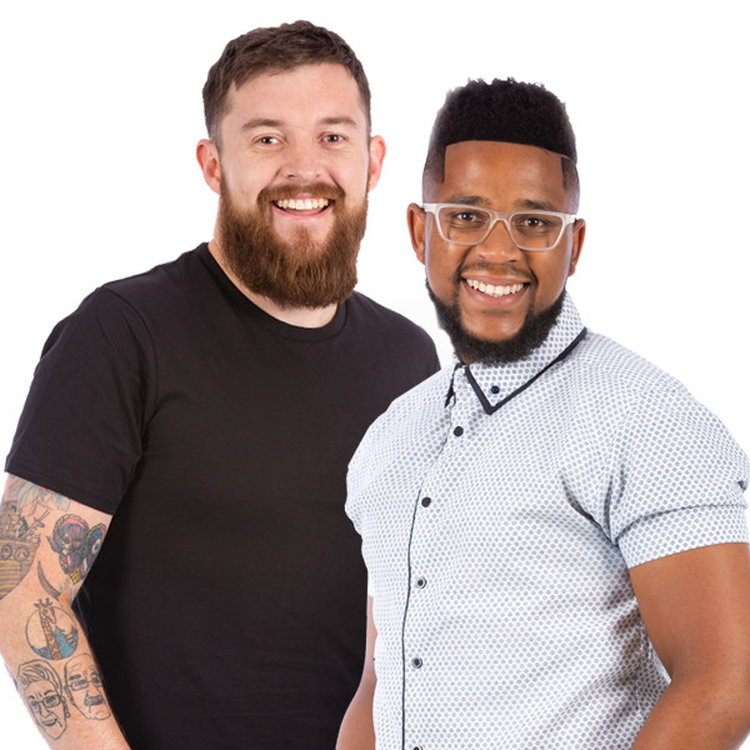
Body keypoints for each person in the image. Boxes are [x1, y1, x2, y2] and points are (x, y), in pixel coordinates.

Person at [0, 20, 438, 750]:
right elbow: (22, 595)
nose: (304, 168)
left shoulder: (409, 359)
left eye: (333, 136)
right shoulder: (124, 333)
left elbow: (410, 605)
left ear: (373, 159)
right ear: (213, 163)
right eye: (267, 138)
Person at [338, 78, 750, 749]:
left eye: (534, 222)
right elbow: (382, 681)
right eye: (465, 216)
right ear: (419, 231)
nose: (498, 251)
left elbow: (724, 684)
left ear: (574, 245)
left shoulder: (647, 419)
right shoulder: (390, 439)